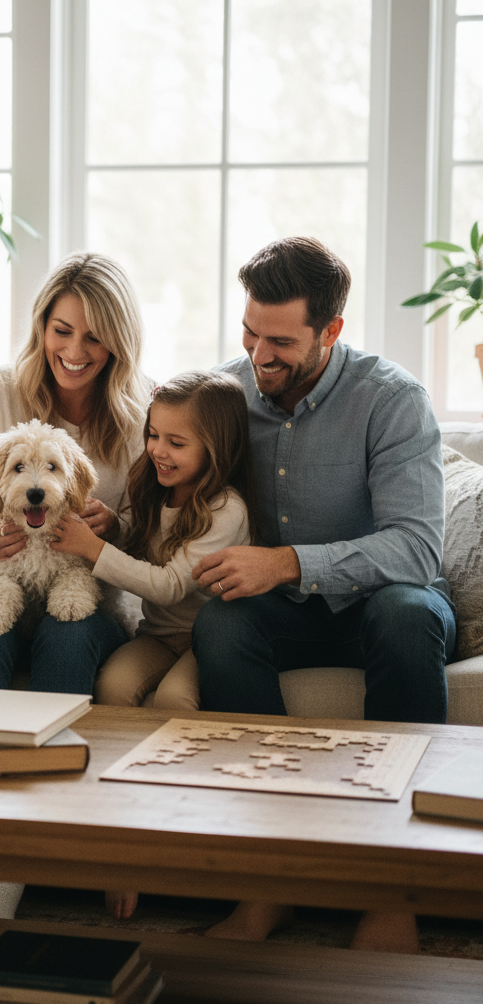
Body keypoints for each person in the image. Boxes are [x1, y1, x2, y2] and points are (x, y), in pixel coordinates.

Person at [189, 236, 458, 953]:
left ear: (331, 331)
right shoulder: (225, 392)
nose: (258, 355)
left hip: (386, 602)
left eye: (280, 340)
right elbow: (164, 478)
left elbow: (416, 548)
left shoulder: (391, 399)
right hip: (289, 618)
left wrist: (285, 563)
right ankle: (269, 880)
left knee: (406, 617)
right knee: (221, 626)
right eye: (249, 333)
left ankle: (391, 895)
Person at [0, 252, 151, 951]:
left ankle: (9, 870)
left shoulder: (138, 416)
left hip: (82, 591)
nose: (75, 351)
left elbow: (152, 543)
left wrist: (111, 531)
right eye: (62, 329)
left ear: (119, 343)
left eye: (95, 337)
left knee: (69, 639)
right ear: (42, 325)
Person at [51, 369, 255, 920]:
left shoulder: (226, 509)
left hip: (206, 635)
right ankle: (123, 849)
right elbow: (141, 541)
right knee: (112, 688)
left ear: (215, 448)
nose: (159, 451)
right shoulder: (151, 485)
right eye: (153, 435)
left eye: (177, 443)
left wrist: (94, 549)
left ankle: (182, 844)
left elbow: (167, 583)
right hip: (159, 633)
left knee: (173, 705)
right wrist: (109, 526)